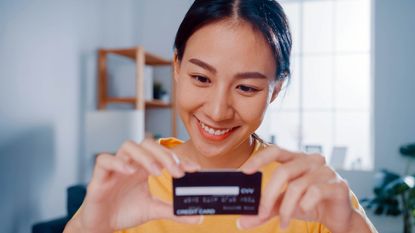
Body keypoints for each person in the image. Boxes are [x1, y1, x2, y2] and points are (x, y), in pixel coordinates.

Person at [64, 0, 377, 232]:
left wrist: (350, 226)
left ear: (275, 90)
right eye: (201, 78)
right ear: (176, 66)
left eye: (246, 87)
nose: (216, 111)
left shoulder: (312, 195)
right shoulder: (132, 183)